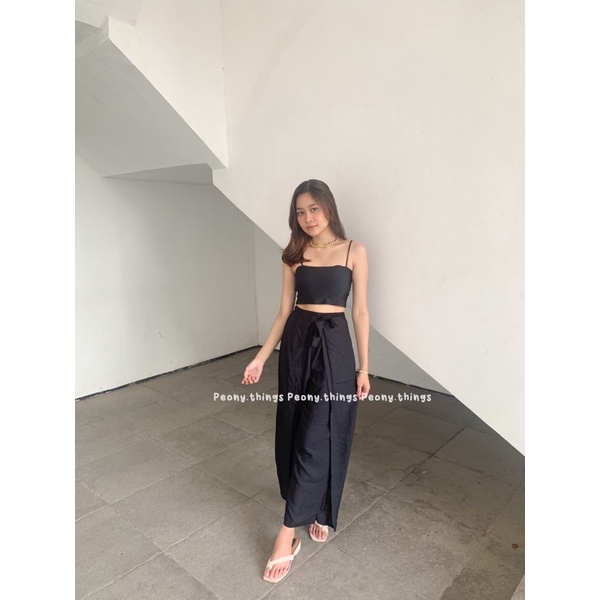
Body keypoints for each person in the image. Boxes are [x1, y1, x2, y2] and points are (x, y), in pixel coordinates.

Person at [241, 179, 370, 583]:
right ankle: (312, 507)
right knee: (296, 428)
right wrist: (261, 358)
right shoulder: (293, 255)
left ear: (328, 207)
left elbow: (360, 312)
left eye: (314, 208)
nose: (308, 218)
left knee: (322, 432)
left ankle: (287, 533)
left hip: (334, 349)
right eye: (300, 212)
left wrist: (364, 368)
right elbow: (283, 313)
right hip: (297, 346)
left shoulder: (354, 251)